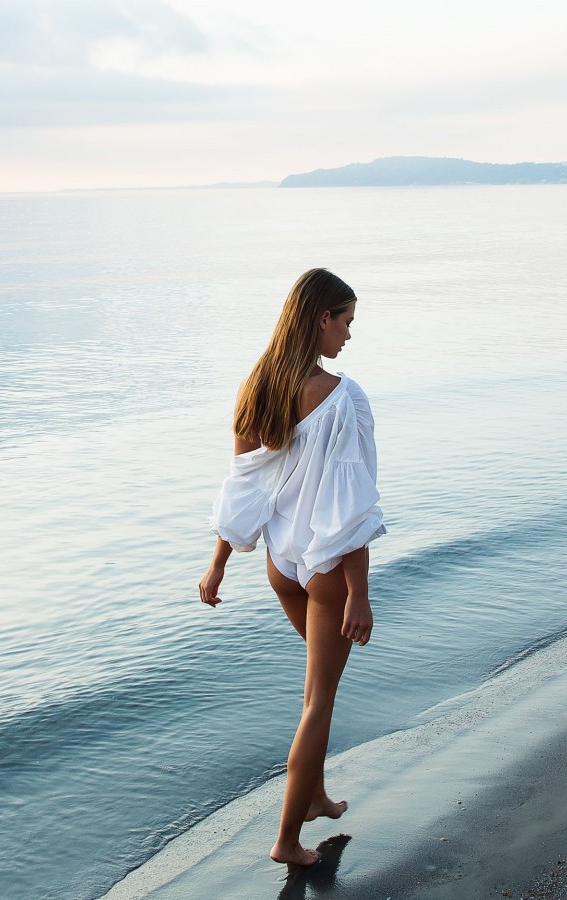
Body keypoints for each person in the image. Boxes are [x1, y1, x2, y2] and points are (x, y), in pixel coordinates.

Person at [198, 268, 386, 867]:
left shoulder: (256, 386)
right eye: (346, 321)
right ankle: (285, 841)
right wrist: (359, 591)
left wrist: (218, 565)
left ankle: (315, 798)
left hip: (281, 563)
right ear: (320, 318)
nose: (350, 336)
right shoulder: (342, 395)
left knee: (315, 689)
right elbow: (348, 504)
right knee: (319, 701)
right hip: (327, 570)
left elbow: (243, 489)